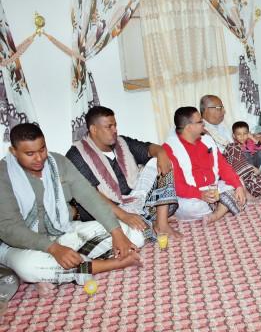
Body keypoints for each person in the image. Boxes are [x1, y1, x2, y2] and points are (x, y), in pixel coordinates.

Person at [0, 123, 141, 295]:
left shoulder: (57, 162)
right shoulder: (3, 175)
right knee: (27, 267)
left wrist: (116, 232)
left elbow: (88, 196)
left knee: (132, 235)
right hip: (20, 246)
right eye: (30, 154)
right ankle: (110, 264)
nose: (39, 158)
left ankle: (60, 271)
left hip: (62, 231)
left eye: (42, 149)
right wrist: (53, 249)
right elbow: (9, 229)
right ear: (13, 151)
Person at [66, 106, 179, 242]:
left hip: (135, 200)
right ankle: (150, 220)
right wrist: (125, 216)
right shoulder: (76, 155)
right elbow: (91, 195)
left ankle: (161, 223)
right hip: (109, 211)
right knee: (137, 237)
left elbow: (149, 148)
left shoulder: (122, 142)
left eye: (115, 125)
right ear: (94, 129)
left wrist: (161, 152)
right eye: (109, 127)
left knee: (160, 162)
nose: (114, 130)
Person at [163, 107, 246, 222]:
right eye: (200, 122)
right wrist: (200, 194)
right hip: (191, 196)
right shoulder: (170, 148)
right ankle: (223, 205)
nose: (203, 124)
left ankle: (216, 213)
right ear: (189, 127)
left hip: (213, 187)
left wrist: (238, 186)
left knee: (239, 184)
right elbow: (175, 185)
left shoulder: (207, 140)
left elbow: (223, 166)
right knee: (191, 208)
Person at [200, 95, 261, 198]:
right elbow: (220, 155)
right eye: (219, 108)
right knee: (233, 148)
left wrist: (253, 138)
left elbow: (241, 140)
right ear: (206, 110)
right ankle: (245, 187)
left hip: (243, 163)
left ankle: (260, 177)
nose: (223, 111)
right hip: (226, 168)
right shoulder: (202, 130)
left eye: (222, 107)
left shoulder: (222, 125)